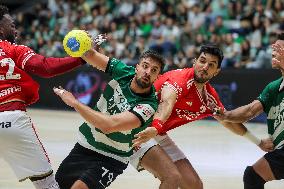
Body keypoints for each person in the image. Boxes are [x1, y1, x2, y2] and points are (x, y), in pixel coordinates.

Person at [131, 44, 274, 189]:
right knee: (172, 177)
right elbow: (167, 103)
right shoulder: (180, 79)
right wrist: (156, 127)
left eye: (211, 65)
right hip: (138, 126)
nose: (205, 67)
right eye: (202, 61)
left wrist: (258, 142)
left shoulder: (209, 98)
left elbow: (227, 121)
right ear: (195, 62)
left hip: (157, 132)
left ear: (216, 72)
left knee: (194, 185)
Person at [53, 47, 181, 189]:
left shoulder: (148, 105)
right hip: (85, 144)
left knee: (80, 187)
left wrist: (74, 102)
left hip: (112, 157)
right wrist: (84, 45)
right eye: (145, 66)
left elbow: (109, 125)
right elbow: (92, 56)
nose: (148, 72)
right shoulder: (124, 72)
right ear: (137, 67)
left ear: (157, 77)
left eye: (154, 70)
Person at [0, 5, 95, 189]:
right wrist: (82, 58)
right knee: (48, 185)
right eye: (11, 25)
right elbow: (45, 67)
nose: (15, 29)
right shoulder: (13, 49)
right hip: (13, 119)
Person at [214, 33, 284, 189]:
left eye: (278, 48)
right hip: (280, 151)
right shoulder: (273, 88)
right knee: (253, 176)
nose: (273, 50)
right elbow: (250, 111)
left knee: (253, 176)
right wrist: (226, 115)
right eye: (273, 47)